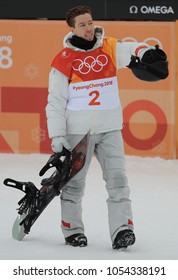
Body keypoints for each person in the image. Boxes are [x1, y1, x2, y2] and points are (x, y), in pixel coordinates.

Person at [45, 5, 163, 250]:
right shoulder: (63, 59)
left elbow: (131, 48)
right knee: (74, 183)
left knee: (118, 180)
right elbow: (55, 101)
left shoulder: (108, 47)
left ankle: (123, 230)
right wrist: (57, 135)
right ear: (72, 28)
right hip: (78, 131)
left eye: (90, 22)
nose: (88, 28)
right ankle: (72, 229)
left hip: (110, 129)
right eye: (82, 25)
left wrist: (147, 51)